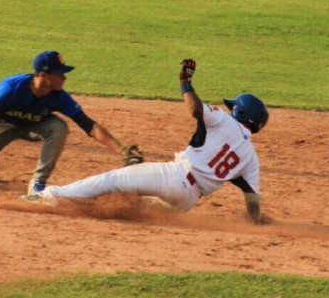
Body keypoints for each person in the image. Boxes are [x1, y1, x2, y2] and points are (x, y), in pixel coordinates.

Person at [21, 59, 270, 224]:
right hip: (186, 201)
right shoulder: (250, 159)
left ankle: (49, 197)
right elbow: (253, 205)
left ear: (240, 112)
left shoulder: (223, 121)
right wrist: (257, 221)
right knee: (134, 208)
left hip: (174, 177)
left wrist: (185, 82)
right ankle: (85, 207)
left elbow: (194, 109)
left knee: (115, 179)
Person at [0, 50, 143, 194]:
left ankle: (38, 184)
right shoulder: (11, 87)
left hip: (36, 126)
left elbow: (88, 125)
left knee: (59, 127)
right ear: (44, 75)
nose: (64, 78)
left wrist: (120, 149)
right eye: (60, 73)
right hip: (1, 125)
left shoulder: (59, 95)